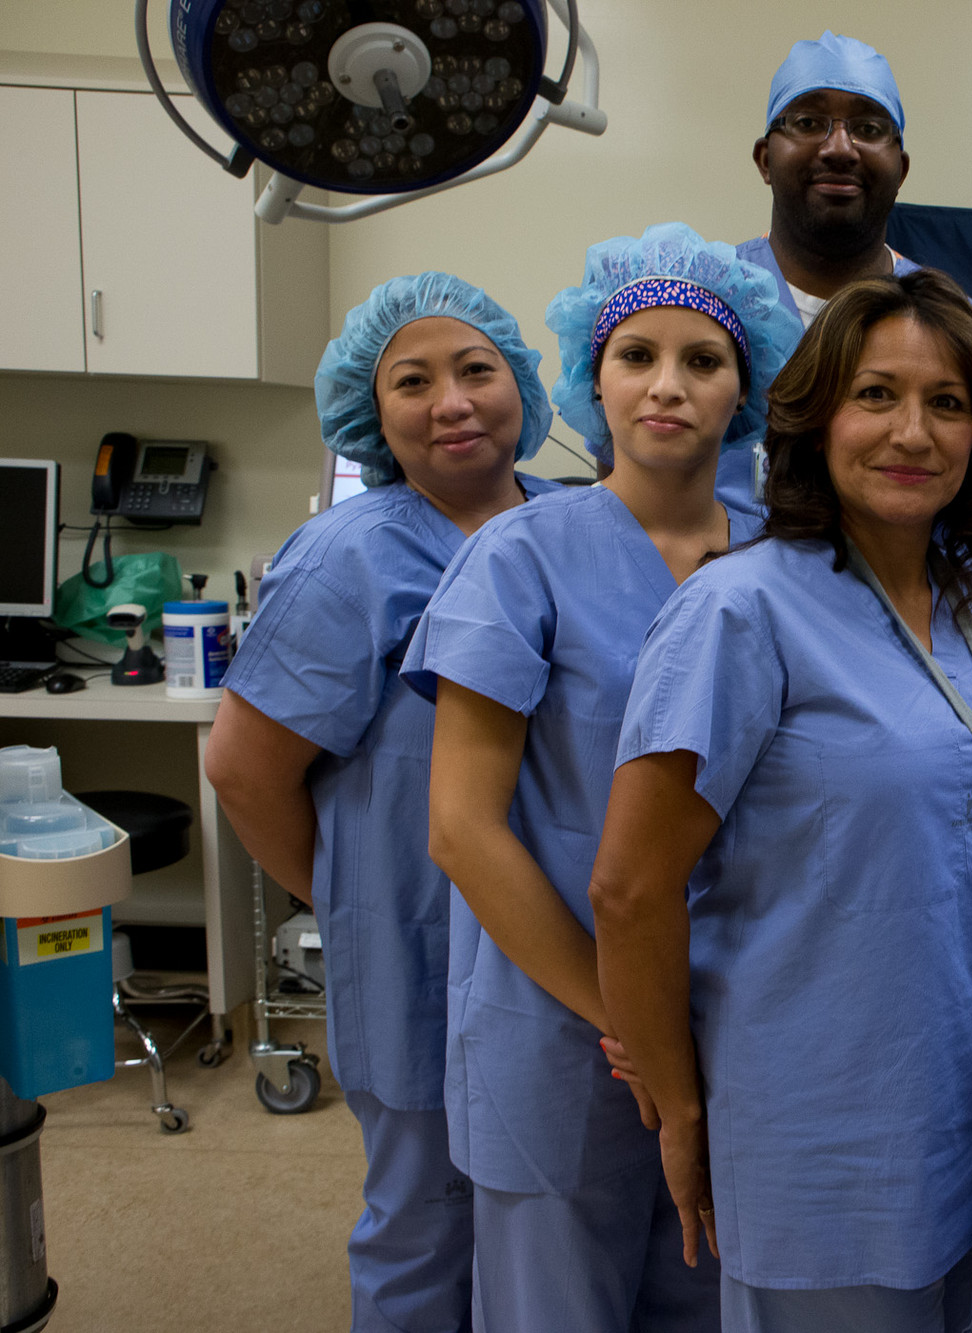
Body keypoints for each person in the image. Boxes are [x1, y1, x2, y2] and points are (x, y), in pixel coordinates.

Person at [589, 269, 972, 1333]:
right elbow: (630, 888)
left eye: (947, 402)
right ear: (814, 420)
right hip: (822, 1118)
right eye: (875, 395)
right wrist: (676, 1109)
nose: (912, 430)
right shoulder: (739, 610)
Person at [402, 224, 797, 1333]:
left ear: (747, 387)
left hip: (733, 1014)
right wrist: (625, 1020)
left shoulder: (786, 560)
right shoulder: (520, 555)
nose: (667, 386)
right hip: (559, 1024)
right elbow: (462, 829)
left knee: (708, 1292)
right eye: (637, 356)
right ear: (590, 375)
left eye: (702, 361)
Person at [206, 273, 559, 1333]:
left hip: (552, 944)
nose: (450, 401)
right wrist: (353, 898)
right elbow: (242, 768)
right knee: (423, 1228)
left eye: (475, 370)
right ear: (371, 413)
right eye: (413, 381)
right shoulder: (352, 555)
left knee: (544, 1225)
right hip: (417, 954)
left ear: (524, 386)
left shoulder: (573, 529)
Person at [720, 30, 972, 509]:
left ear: (901, 169)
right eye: (808, 122)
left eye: (869, 129)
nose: (839, 148)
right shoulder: (703, 307)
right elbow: (629, 489)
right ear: (765, 159)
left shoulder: (970, 336)